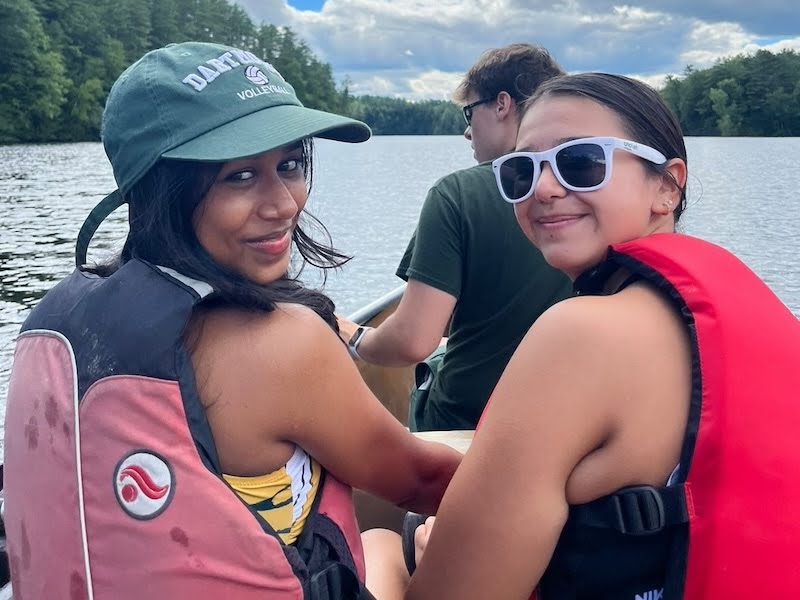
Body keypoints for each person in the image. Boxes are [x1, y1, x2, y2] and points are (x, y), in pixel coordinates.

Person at [2, 41, 462, 599]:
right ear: (161, 190)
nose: (284, 204)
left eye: (290, 165)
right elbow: (421, 480)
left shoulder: (50, 320)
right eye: (239, 177)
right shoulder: (282, 344)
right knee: (398, 540)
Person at [403, 73, 800, 599]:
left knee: (388, 544)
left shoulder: (582, 336)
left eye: (581, 162)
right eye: (520, 171)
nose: (542, 188)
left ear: (667, 184)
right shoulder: (745, 306)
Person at [338, 43, 572, 431]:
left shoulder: (457, 194)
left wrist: (356, 337)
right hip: (571, 424)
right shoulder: (597, 190)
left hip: (467, 423)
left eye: (470, 112)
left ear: (502, 105)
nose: (466, 131)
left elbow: (412, 342)